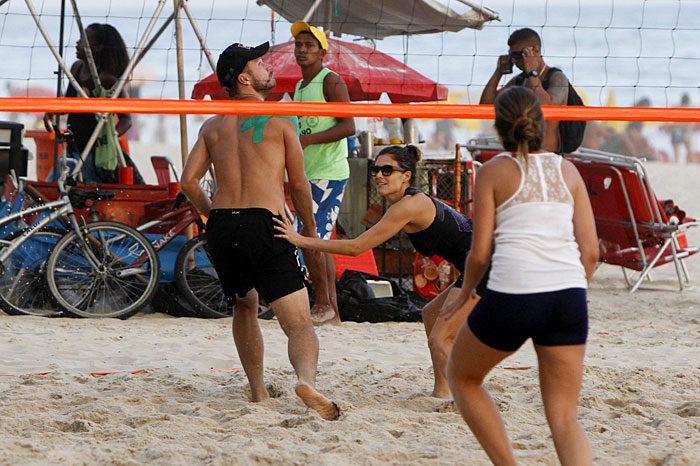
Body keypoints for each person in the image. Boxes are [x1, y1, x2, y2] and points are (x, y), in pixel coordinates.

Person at [180, 41, 339, 421]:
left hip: (223, 224)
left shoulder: (212, 125)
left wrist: (211, 216)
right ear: (246, 78)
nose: (269, 67)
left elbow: (189, 182)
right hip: (264, 221)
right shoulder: (280, 119)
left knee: (244, 306)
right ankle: (306, 381)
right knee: (299, 322)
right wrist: (310, 232)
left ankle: (258, 392)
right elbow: (299, 186)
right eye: (260, 63)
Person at [441, 86, 598, 464]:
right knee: (564, 416)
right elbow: (591, 251)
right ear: (542, 125)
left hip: (515, 293)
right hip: (568, 295)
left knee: (462, 378)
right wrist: (571, 289)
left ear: (499, 128)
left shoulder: (493, 171)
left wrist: (465, 292)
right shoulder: (569, 171)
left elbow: (479, 253)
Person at [274, 145, 487, 399]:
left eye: (388, 170)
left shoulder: (408, 206)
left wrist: (301, 240)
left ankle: (469, 399)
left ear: (406, 175)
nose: (378, 175)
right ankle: (442, 390)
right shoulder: (405, 204)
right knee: (430, 314)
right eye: (376, 170)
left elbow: (356, 247)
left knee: (440, 339)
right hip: (477, 263)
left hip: (488, 264)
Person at [291, 20, 356, 326]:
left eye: (309, 46)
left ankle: (322, 303)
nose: (302, 50)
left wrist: (307, 139)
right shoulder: (300, 86)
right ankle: (332, 312)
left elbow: (349, 126)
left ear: (322, 52)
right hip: (308, 172)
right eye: (299, 45)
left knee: (310, 238)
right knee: (320, 240)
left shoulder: (331, 81)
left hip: (330, 172)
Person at [43, 23, 136, 184]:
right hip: (72, 147)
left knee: (80, 193)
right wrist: (53, 111)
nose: (78, 43)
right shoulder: (76, 68)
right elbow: (69, 103)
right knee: (52, 187)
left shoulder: (106, 79)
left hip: (93, 153)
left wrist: (110, 136)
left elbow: (126, 119)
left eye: (84, 41)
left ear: (98, 47)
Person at [480, 27, 570, 153]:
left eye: (519, 56)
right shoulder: (521, 80)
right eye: (512, 56)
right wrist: (498, 72)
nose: (515, 61)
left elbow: (547, 107)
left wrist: (532, 74)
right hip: (521, 153)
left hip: (548, 154)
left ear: (536, 51)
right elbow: (486, 104)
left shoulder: (556, 78)